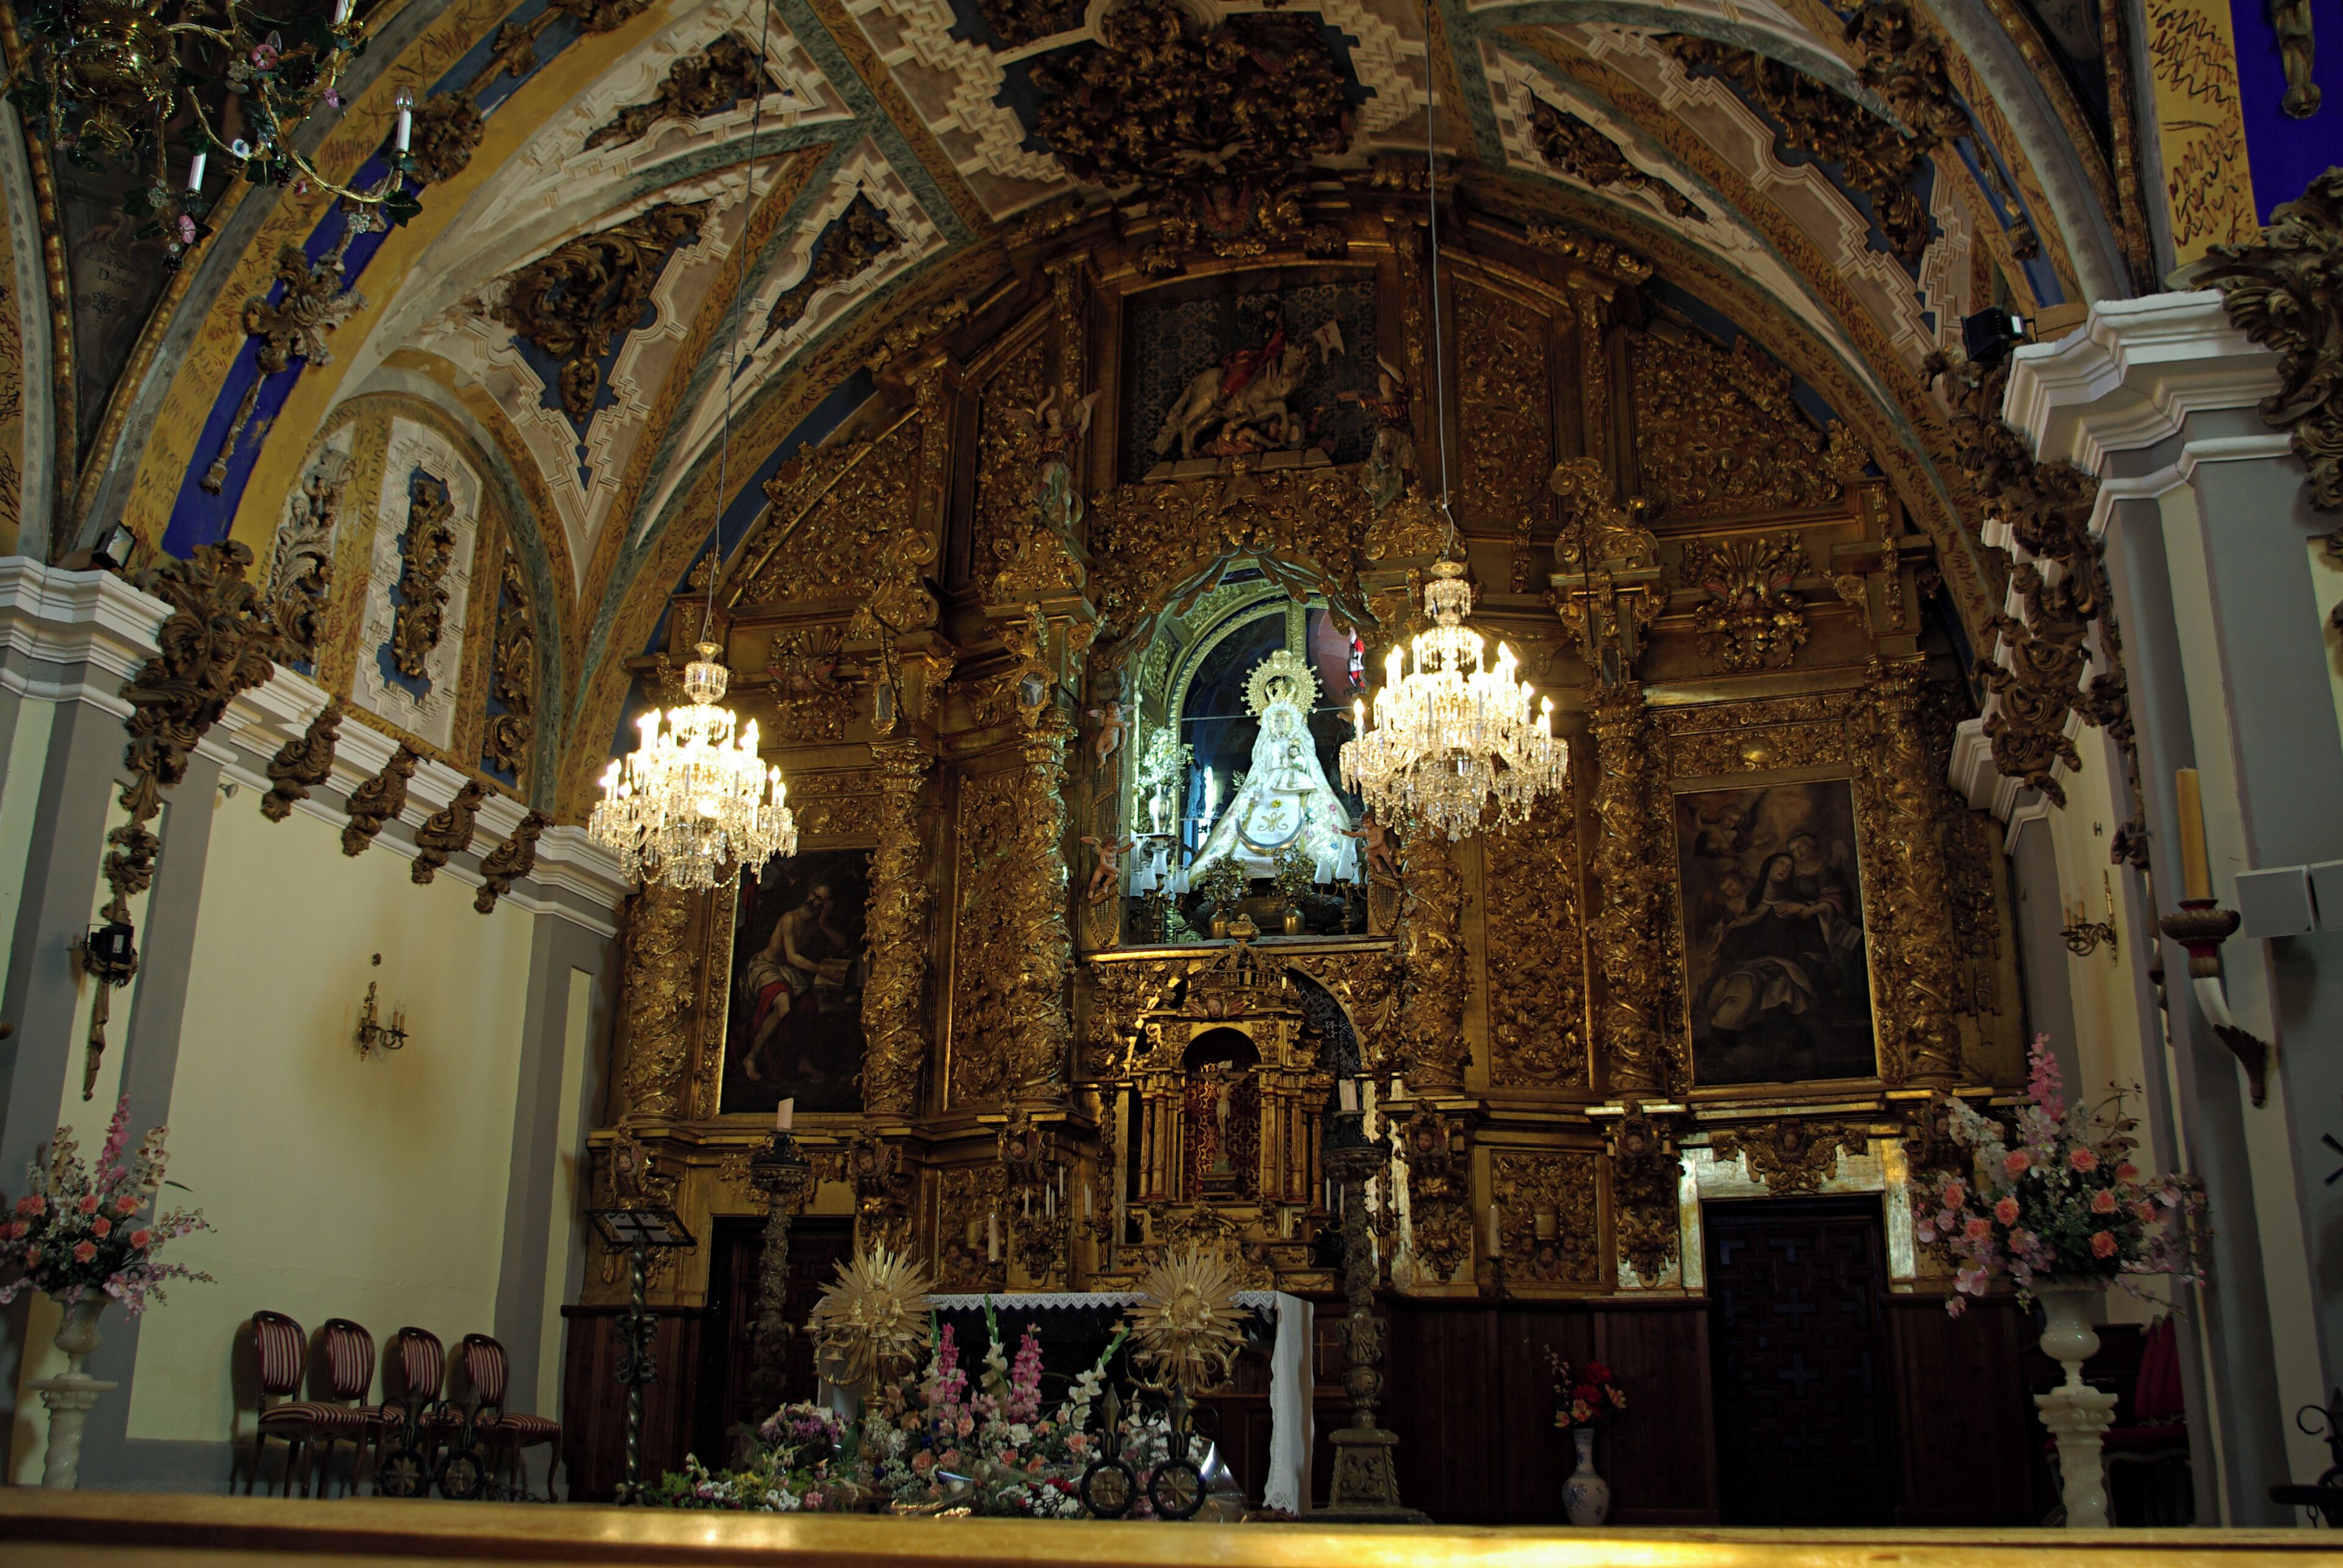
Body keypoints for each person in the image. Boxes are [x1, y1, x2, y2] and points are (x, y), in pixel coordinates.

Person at [738, 882, 851, 1086]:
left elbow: (842, 944)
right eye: (813, 894)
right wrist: (822, 970)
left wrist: (825, 922)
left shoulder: (816, 923)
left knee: (809, 1006)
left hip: (785, 972)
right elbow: (792, 957)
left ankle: (801, 1060)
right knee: (784, 1005)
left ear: (826, 905)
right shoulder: (789, 918)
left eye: (819, 900)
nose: (812, 901)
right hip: (766, 967)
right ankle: (751, 1058)